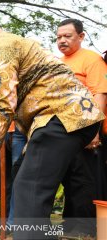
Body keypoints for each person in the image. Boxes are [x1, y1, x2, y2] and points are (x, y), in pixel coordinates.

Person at [0, 7, 105, 239]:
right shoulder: (7, 48)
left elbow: (3, 106)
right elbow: (10, 98)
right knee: (22, 180)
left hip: (63, 115)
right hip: (59, 120)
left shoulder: (3, 46)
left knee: (29, 192)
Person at [57, 18, 107, 235]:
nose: (62, 40)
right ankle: (70, 223)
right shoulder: (59, 62)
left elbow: (100, 94)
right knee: (68, 177)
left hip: (85, 128)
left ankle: (86, 227)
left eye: (67, 36)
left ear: (81, 36)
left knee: (84, 178)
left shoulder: (92, 60)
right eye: (59, 37)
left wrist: (94, 131)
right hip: (63, 129)